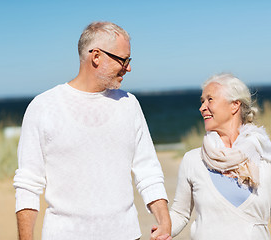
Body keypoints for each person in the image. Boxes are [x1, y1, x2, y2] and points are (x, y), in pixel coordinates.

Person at [13, 21, 172, 240]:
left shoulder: (129, 104)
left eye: (129, 60)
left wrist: (164, 220)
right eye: (123, 60)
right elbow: (28, 184)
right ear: (96, 56)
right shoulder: (43, 106)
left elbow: (148, 170)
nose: (128, 67)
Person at [163, 73, 271, 239]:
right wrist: (163, 230)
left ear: (234, 105)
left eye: (210, 99)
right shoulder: (193, 160)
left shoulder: (267, 156)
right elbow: (180, 214)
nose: (202, 107)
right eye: (202, 101)